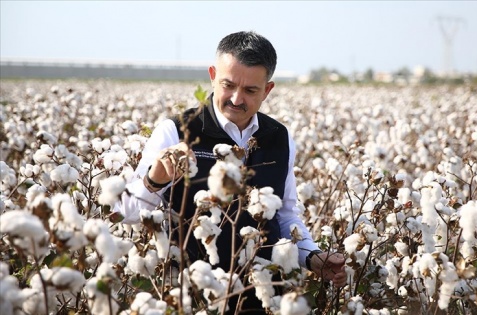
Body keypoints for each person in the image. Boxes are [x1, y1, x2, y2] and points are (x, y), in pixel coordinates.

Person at [116, 31, 346, 313]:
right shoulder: (177, 131)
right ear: (213, 75)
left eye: (250, 90)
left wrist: (312, 257)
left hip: (260, 295)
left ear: (267, 90)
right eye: (228, 85)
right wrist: (155, 179)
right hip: (193, 296)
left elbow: (284, 214)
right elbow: (126, 212)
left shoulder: (279, 137)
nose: (237, 99)